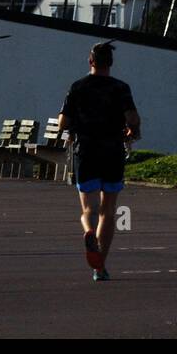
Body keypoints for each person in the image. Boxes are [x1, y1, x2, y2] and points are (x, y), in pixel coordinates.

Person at [57, 40, 141, 282]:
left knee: (89, 209)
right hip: (112, 151)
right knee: (108, 211)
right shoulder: (121, 88)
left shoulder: (77, 87)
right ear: (111, 63)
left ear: (90, 61)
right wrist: (131, 130)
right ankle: (100, 266)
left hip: (86, 151)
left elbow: (63, 122)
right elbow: (132, 118)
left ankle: (88, 231)